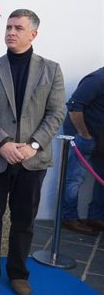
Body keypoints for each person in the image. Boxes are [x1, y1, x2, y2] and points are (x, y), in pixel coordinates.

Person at [0, 9, 65, 295]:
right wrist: (3, 143)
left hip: (32, 159)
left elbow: (56, 112)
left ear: (33, 34)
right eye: (9, 27)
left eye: (18, 28)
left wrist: (33, 145)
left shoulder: (51, 70)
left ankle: (18, 274)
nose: (11, 32)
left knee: (24, 220)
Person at [61, 67, 104, 234]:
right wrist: (84, 134)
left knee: (101, 177)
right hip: (82, 136)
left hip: (100, 137)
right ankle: (69, 217)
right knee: (74, 179)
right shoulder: (97, 78)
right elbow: (74, 106)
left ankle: (96, 216)